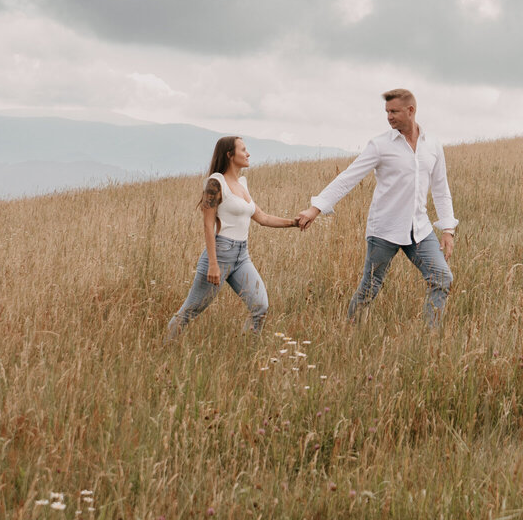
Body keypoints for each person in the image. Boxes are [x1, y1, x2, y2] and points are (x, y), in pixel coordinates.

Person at [297, 88, 457, 328]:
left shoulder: (432, 145)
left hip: (419, 230)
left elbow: (441, 189)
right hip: (384, 230)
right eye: (387, 112)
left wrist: (447, 229)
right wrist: (315, 209)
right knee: (370, 286)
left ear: (410, 111)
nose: (389, 117)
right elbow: (348, 178)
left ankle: (430, 338)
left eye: (394, 111)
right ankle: (349, 331)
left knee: (442, 278)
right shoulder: (380, 145)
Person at [167, 135, 298, 338]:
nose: (248, 154)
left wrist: (294, 223)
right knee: (190, 311)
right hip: (220, 254)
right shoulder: (215, 183)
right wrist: (213, 264)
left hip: (241, 256)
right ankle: (166, 345)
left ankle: (248, 351)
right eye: (243, 150)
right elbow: (208, 224)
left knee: (260, 306)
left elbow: (262, 217)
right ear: (230, 154)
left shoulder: (242, 184)